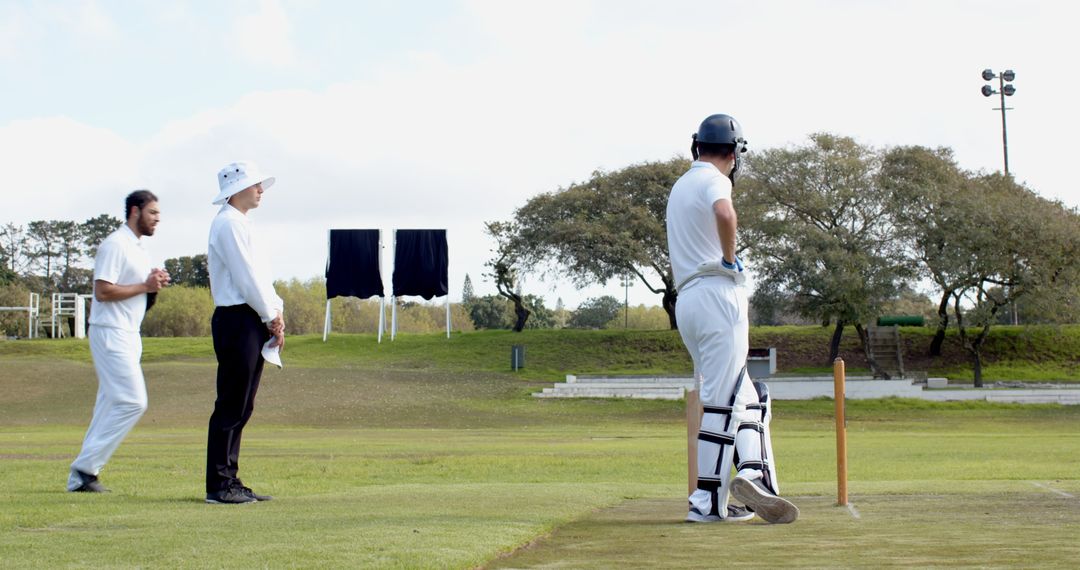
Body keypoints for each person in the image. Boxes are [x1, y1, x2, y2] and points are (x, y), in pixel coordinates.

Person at [666, 114, 799, 524]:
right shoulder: (715, 179)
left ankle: (754, 475)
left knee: (749, 397)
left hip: (687, 299)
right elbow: (726, 215)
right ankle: (706, 502)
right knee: (723, 402)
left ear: (697, 145)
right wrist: (729, 259)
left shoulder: (680, 185)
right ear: (735, 153)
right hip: (716, 293)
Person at [68, 190, 170, 493]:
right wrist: (144, 284)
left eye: (159, 215)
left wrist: (152, 286)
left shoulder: (138, 248)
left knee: (110, 403)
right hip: (110, 330)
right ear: (135, 211)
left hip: (129, 332)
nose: (157, 220)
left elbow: (138, 294)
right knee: (133, 401)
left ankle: (81, 478)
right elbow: (103, 292)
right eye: (153, 213)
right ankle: (85, 468)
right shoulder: (115, 244)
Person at [204, 161, 285, 504]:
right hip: (238, 318)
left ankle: (230, 479)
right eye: (254, 185)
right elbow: (246, 278)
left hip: (250, 318)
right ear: (236, 190)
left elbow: (260, 276)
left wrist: (275, 312)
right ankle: (219, 484)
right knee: (232, 403)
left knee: (243, 404)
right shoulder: (228, 225)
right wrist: (270, 315)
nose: (261, 190)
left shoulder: (240, 224)